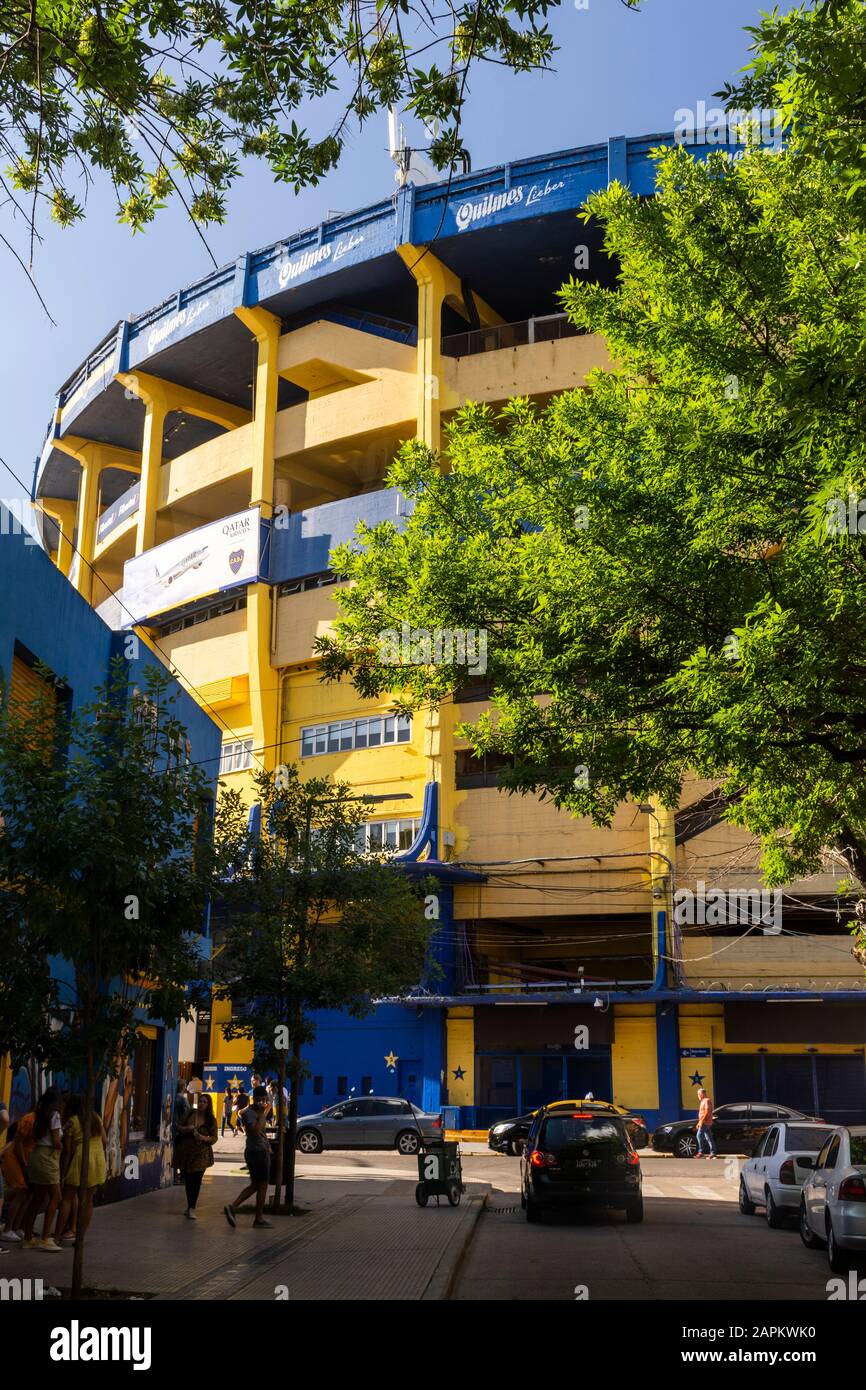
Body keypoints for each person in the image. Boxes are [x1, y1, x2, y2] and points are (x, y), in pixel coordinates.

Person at [54, 1095, 107, 1244]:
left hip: (80, 1158)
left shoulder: (73, 1121)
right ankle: (80, 1237)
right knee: (88, 1200)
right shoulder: (96, 1117)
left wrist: (63, 1173)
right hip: (98, 1159)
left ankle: (57, 1236)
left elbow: (68, 1151)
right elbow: (105, 1140)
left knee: (67, 1198)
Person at [224, 1086, 273, 1229]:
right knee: (259, 1185)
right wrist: (264, 1112)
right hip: (256, 1152)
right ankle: (237, 1208)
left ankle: (256, 1217)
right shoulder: (250, 1113)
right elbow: (256, 1131)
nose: (263, 1102)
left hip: (260, 1151)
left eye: (264, 1099)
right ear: (255, 1099)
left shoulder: (254, 1111)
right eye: (260, 1099)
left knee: (259, 1185)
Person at [22, 1087, 64, 1251]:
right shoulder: (55, 1115)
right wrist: (61, 1144)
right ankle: (46, 1238)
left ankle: (27, 1238)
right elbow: (55, 1140)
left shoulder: (38, 1114)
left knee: (37, 1198)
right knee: (56, 1196)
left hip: (36, 1154)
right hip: (48, 1157)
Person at [175, 1093, 218, 1219]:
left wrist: (203, 1137)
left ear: (208, 1105)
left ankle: (192, 1207)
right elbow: (178, 1127)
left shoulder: (211, 1119)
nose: (202, 1104)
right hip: (186, 1153)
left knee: (196, 1180)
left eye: (205, 1102)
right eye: (200, 1101)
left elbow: (214, 1138)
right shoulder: (190, 1113)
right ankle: (189, 1206)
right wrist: (187, 1128)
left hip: (201, 1154)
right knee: (188, 1180)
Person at [0, 1115, 33, 1242]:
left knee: (25, 1194)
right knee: (21, 1193)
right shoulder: (11, 1146)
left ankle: (15, 1227)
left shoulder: (15, 1146)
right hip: (6, 1187)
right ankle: (10, 1228)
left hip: (7, 1186)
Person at [695, 1087, 716, 1158]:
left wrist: (701, 1121)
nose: (698, 1096)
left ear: (702, 1094)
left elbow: (707, 1112)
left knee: (699, 1135)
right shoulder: (703, 1101)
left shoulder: (706, 1100)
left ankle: (701, 1152)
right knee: (709, 1137)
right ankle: (713, 1153)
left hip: (705, 1122)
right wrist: (699, 1122)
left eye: (698, 1094)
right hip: (705, 1122)